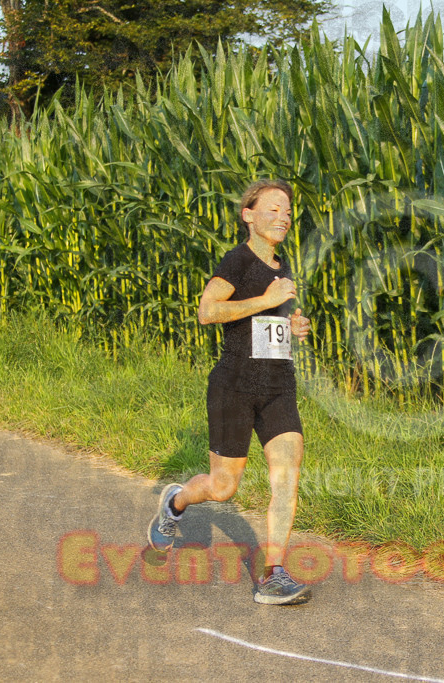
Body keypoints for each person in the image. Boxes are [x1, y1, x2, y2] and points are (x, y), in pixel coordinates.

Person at [147, 178, 313, 605]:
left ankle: (274, 573)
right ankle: (176, 503)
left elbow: (267, 324)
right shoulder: (237, 261)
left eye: (288, 211)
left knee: (287, 475)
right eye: (273, 209)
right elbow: (207, 311)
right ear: (249, 215)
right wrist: (265, 299)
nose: (283, 217)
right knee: (223, 488)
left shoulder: (282, 266)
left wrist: (293, 327)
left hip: (278, 385)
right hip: (234, 387)